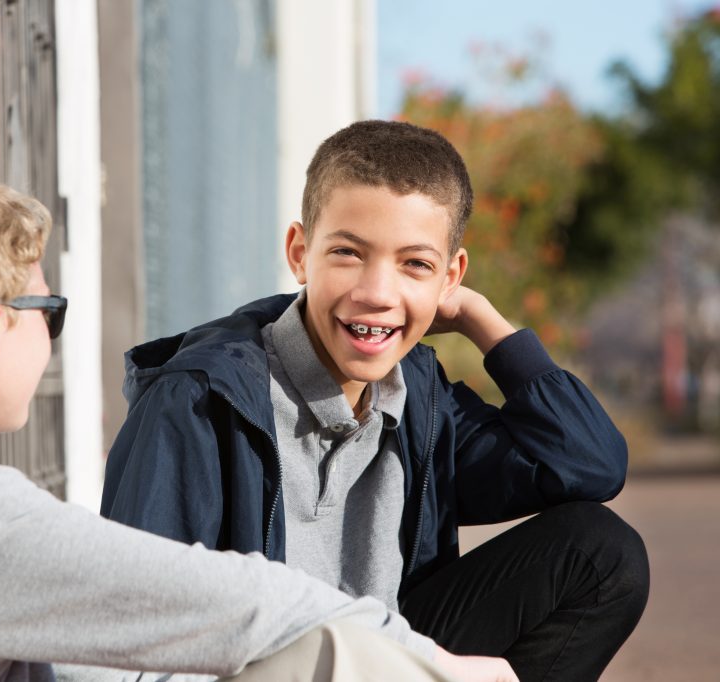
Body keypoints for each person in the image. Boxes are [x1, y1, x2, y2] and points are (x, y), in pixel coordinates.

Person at [0, 174, 509, 682]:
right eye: (49, 308)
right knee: (320, 654)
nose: (50, 332)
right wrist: (435, 663)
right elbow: (241, 599)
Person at [101, 120, 650, 681]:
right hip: (262, 670)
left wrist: (484, 324)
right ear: (299, 252)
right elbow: (126, 637)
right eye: (348, 253)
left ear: (450, 278)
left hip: (394, 658)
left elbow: (588, 464)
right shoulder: (201, 400)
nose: (377, 293)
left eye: (416, 264)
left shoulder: (419, 398)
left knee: (602, 554)